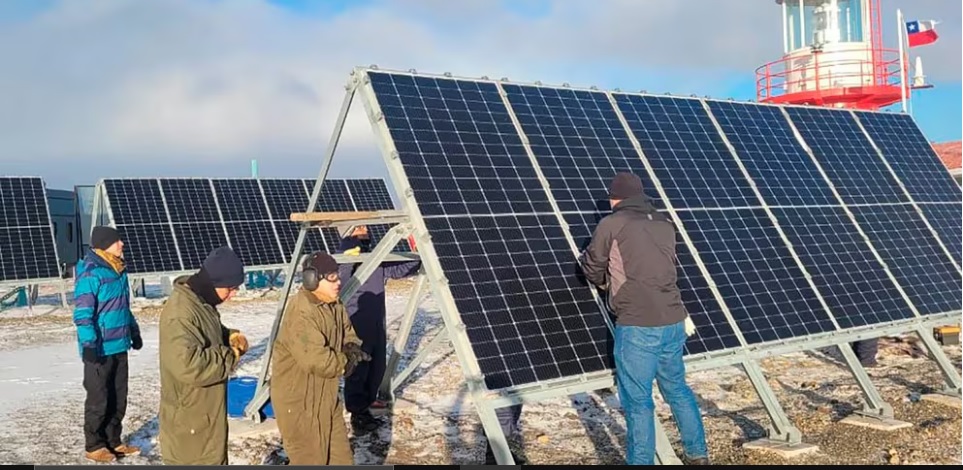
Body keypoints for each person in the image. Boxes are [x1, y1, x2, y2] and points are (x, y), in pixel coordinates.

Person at [579, 172, 709, 465]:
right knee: (677, 389)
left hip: (638, 323)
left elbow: (592, 266)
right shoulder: (664, 222)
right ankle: (698, 455)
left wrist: (601, 279)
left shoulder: (612, 223)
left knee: (638, 401)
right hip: (673, 319)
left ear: (616, 198)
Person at [272, 251, 370, 465]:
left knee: (341, 460)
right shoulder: (302, 312)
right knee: (311, 461)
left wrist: (352, 347)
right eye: (332, 277)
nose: (338, 282)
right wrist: (345, 362)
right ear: (312, 279)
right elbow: (317, 360)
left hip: (326, 397)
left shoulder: (334, 304)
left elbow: (347, 332)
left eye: (338, 275)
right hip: (300, 403)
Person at [158, 246, 250, 465]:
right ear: (213, 282)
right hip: (190, 426)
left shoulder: (200, 303)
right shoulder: (181, 313)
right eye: (230, 288)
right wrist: (230, 355)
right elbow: (189, 365)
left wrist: (229, 335)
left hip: (204, 418)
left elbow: (206, 333)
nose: (233, 294)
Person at [337, 225, 421, 431]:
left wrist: (417, 252)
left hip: (376, 323)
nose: (365, 229)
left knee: (376, 369)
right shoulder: (343, 259)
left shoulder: (376, 258)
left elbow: (400, 269)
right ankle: (358, 414)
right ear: (347, 232)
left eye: (366, 226)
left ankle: (367, 404)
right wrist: (349, 256)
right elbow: (340, 281)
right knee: (358, 369)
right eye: (359, 227)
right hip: (355, 325)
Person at [72, 226, 143, 463]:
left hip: (119, 345)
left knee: (118, 397)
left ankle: (114, 441)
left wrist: (134, 332)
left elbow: (123, 308)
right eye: (117, 241)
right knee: (99, 399)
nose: (122, 244)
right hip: (99, 349)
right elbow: (83, 314)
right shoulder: (91, 273)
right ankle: (94, 445)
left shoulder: (118, 270)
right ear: (104, 245)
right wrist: (89, 344)